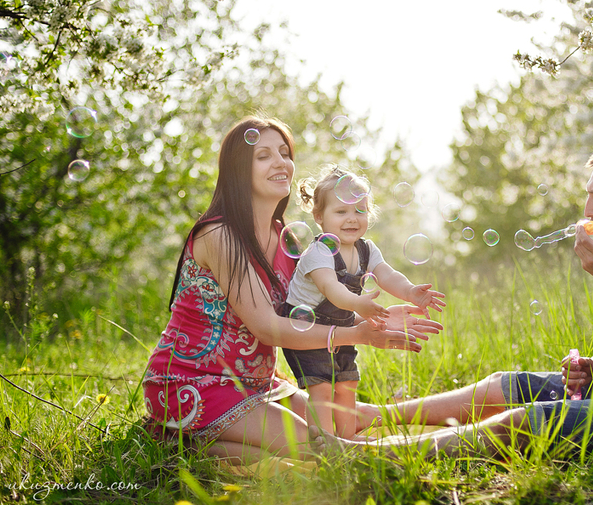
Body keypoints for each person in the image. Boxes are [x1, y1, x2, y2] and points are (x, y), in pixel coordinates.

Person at [314, 139, 593, 459]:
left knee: (522, 423)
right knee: (502, 385)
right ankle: (371, 418)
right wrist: (592, 365)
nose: (587, 208)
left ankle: (369, 453)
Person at [142, 116, 442, 464]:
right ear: (239, 169)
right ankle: (180, 442)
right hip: (192, 380)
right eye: (264, 155)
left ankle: (209, 443)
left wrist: (381, 317)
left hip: (256, 384)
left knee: (336, 428)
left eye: (284, 152)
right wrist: (357, 335)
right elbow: (268, 327)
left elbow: (307, 315)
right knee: (317, 447)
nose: (281, 162)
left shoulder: (288, 241)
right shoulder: (219, 234)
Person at [282, 166, 446, 439]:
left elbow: (387, 275)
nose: (352, 219)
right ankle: (324, 441)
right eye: (341, 212)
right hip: (307, 329)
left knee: (347, 383)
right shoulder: (319, 251)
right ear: (319, 216)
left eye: (360, 210)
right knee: (321, 387)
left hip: (343, 327)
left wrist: (410, 291)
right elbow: (331, 288)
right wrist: (358, 305)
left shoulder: (366, 249)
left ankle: (349, 439)